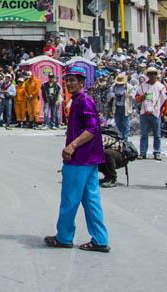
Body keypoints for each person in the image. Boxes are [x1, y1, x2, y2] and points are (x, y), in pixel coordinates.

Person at [44, 67, 110, 252]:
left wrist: (72, 145)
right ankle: (100, 239)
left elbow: (92, 128)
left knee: (70, 200)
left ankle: (64, 237)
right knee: (91, 201)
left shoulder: (84, 101)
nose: (70, 83)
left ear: (82, 82)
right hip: (90, 159)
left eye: (74, 80)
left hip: (79, 159)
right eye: (68, 80)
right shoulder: (78, 100)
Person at [136, 66, 167, 160]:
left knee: (157, 135)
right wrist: (142, 97)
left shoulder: (160, 87)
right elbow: (137, 99)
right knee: (144, 134)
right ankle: (142, 152)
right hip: (144, 113)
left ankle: (157, 152)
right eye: (150, 74)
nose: (152, 75)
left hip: (156, 113)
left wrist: (165, 113)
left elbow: (165, 100)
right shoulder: (142, 86)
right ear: (148, 75)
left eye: (154, 73)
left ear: (156, 75)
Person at [108, 72, 132, 140]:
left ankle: (125, 138)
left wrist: (128, 95)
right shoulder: (114, 86)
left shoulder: (129, 87)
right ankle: (119, 137)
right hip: (116, 107)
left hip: (125, 107)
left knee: (126, 124)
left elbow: (133, 96)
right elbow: (110, 96)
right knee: (118, 123)